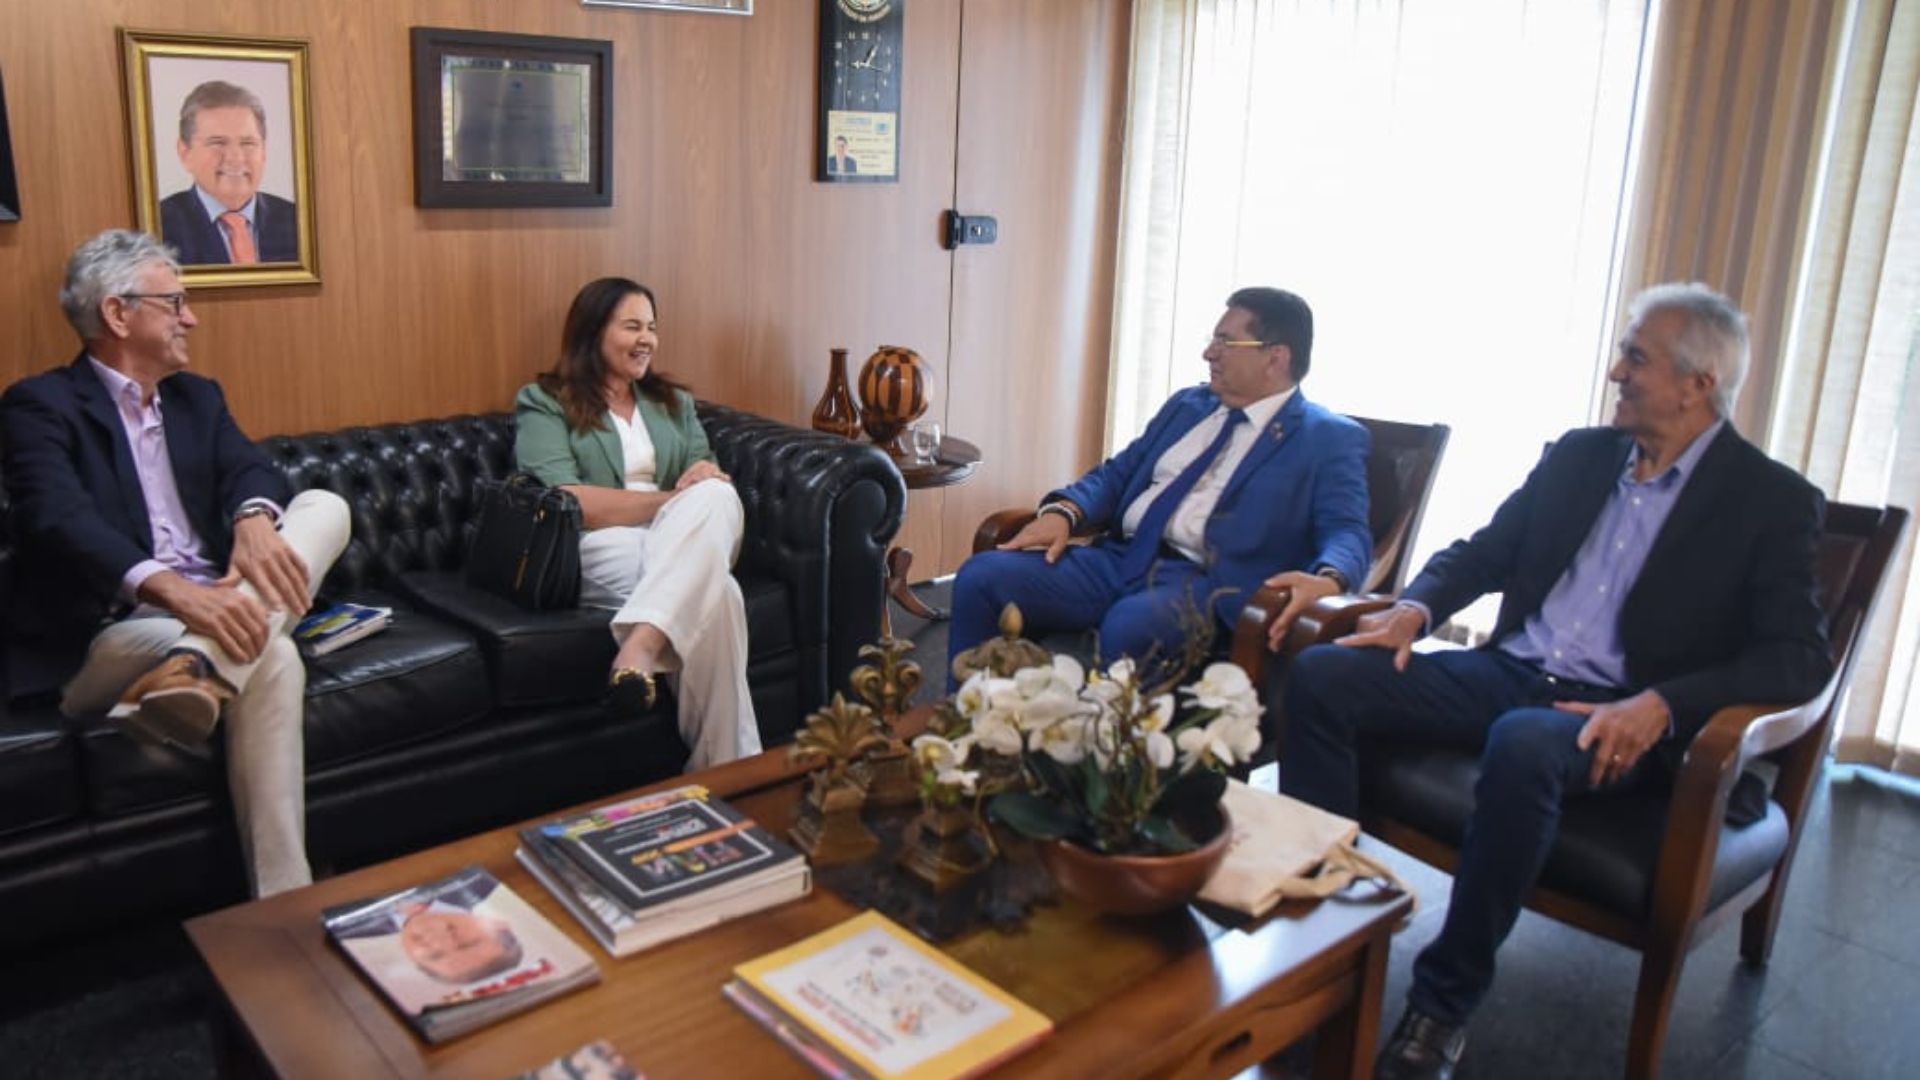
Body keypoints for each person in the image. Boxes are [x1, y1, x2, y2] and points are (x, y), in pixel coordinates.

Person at [1279, 282, 1833, 1080]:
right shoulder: (1580, 456)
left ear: (1697, 384)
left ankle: (1441, 1005)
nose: (1615, 371)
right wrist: (1416, 609)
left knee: (1526, 744)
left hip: (1615, 711)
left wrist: (1664, 706)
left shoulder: (1769, 501)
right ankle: (1325, 931)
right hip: (1508, 671)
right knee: (1328, 671)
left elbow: (1797, 657)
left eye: (1635, 358)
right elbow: (1485, 550)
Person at [0, 228, 350, 897]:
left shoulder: (197, 397)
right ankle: (288, 897)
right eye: (175, 302)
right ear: (117, 312)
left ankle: (199, 668)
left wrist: (252, 518)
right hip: (109, 630)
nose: (191, 317)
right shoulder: (40, 405)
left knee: (323, 507)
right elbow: (55, 517)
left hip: (217, 605)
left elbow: (251, 466)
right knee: (269, 651)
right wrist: (174, 593)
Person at [947, 286, 1371, 680]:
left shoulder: (1326, 437)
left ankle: (1099, 756)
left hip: (1202, 582)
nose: (1209, 353)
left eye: (1225, 341)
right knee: (983, 577)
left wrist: (1331, 578)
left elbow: (1347, 529)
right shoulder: (1189, 405)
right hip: (1119, 559)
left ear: (1275, 358)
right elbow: (1118, 474)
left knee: (1130, 627)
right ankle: (966, 727)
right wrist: (1064, 513)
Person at [513, 277, 761, 771]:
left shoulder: (674, 403)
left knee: (718, 492)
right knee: (722, 595)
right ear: (593, 332)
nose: (646, 338)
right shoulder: (546, 401)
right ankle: (734, 772)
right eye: (632, 326)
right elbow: (571, 500)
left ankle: (641, 646)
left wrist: (702, 483)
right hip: (599, 543)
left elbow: (704, 472)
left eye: (652, 326)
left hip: (678, 536)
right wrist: (670, 501)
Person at [157, 80, 298, 265]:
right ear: (185, 153)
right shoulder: (157, 228)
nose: (235, 158)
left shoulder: (297, 221)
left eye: (247, 143)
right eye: (218, 143)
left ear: (263, 151)